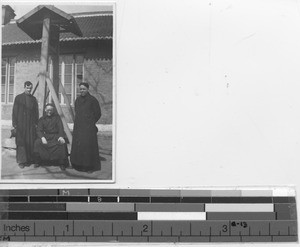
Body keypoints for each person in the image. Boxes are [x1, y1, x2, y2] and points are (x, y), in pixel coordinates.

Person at [70, 82, 101, 173]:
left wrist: (91, 122)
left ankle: (89, 167)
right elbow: (77, 111)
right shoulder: (78, 100)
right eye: (81, 89)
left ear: (88, 89)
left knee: (88, 146)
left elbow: (98, 113)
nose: (82, 91)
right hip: (79, 127)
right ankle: (77, 164)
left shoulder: (93, 100)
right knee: (78, 146)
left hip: (89, 128)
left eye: (84, 89)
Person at [33, 103, 69, 170]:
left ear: (53, 110)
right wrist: (42, 138)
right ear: (45, 110)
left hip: (55, 136)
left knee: (62, 144)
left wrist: (61, 136)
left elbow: (61, 128)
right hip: (46, 136)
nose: (49, 112)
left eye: (51, 110)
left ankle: (62, 163)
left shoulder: (57, 118)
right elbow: (39, 130)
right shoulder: (42, 119)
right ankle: (37, 161)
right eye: (48, 110)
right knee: (37, 142)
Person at [12, 81, 39, 168]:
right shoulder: (18, 98)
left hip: (30, 124)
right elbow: (14, 111)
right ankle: (22, 161)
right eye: (27, 88)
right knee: (21, 142)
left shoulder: (33, 99)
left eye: (30, 88)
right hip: (21, 124)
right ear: (24, 88)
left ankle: (29, 159)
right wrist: (14, 124)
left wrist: (36, 123)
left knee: (30, 141)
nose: (29, 90)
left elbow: (36, 112)